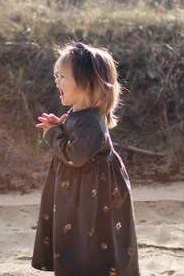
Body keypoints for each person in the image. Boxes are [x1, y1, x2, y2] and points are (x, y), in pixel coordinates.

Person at [31, 41, 140, 276]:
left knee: (92, 241)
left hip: (94, 195)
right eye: (56, 76)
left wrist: (51, 134)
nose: (57, 81)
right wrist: (61, 126)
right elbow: (76, 141)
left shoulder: (92, 120)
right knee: (79, 240)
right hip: (81, 192)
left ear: (86, 84)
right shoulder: (79, 114)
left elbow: (75, 155)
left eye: (62, 77)